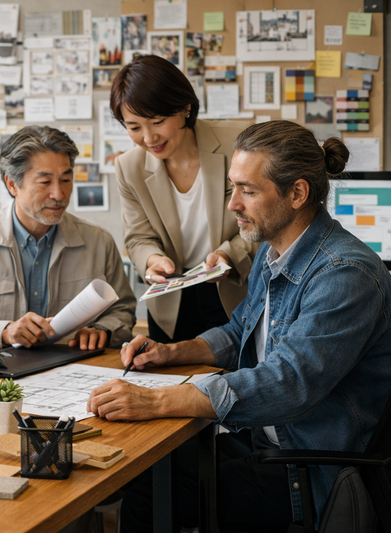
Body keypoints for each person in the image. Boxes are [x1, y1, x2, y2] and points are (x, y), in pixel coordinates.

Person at [87, 121, 391, 531]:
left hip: (308, 469)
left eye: (247, 190)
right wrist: (171, 352)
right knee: (147, 473)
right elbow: (237, 333)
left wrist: (158, 401)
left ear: (297, 193)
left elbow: (289, 382)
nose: (232, 205)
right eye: (233, 187)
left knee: (151, 494)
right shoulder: (274, 252)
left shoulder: (345, 274)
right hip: (265, 440)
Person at [0, 125, 137, 356]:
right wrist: (4, 332)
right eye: (45, 182)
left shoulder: (99, 242)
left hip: (75, 372)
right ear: (12, 184)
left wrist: (103, 329)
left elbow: (123, 310)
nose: (58, 194)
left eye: (66, 180)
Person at [111, 55, 259, 343]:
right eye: (134, 127)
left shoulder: (239, 144)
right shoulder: (128, 167)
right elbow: (137, 238)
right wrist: (152, 260)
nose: (149, 137)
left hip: (235, 288)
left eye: (157, 121)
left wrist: (228, 254)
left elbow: (263, 218)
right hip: (171, 298)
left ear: (185, 108)